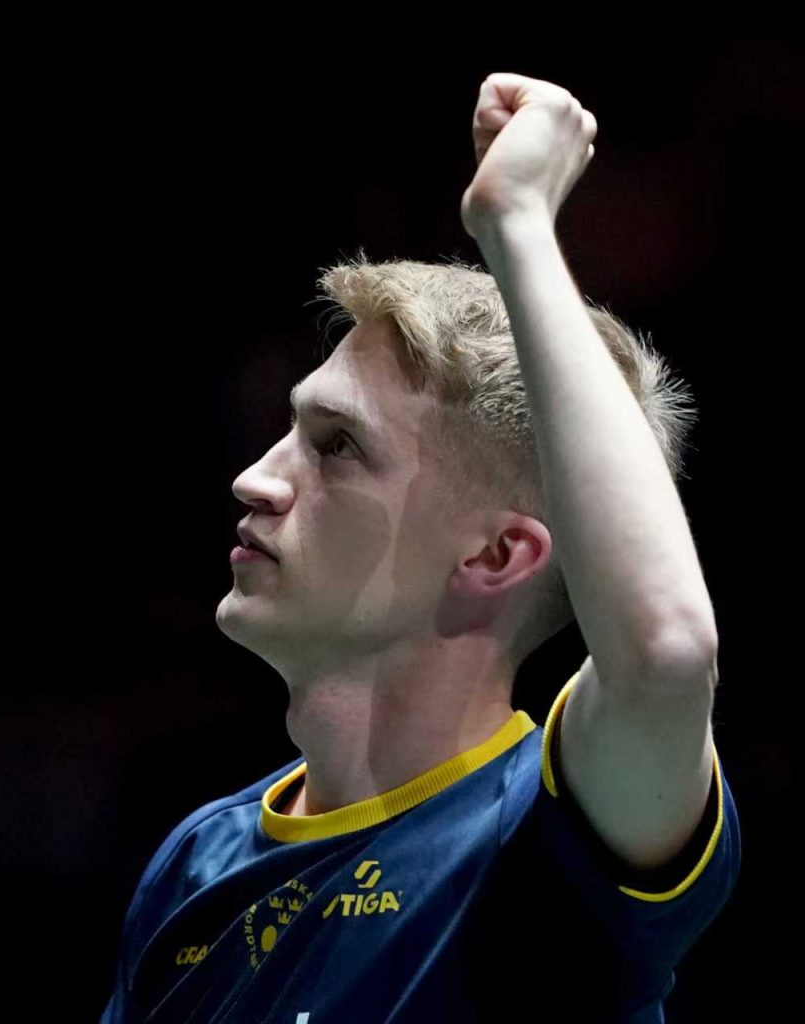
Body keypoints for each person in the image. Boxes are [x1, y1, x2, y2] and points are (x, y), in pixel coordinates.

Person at [99, 73, 741, 1023]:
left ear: (496, 557)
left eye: (337, 447)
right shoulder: (196, 862)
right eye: (291, 430)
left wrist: (517, 224)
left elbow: (668, 652)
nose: (255, 479)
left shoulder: (553, 835)